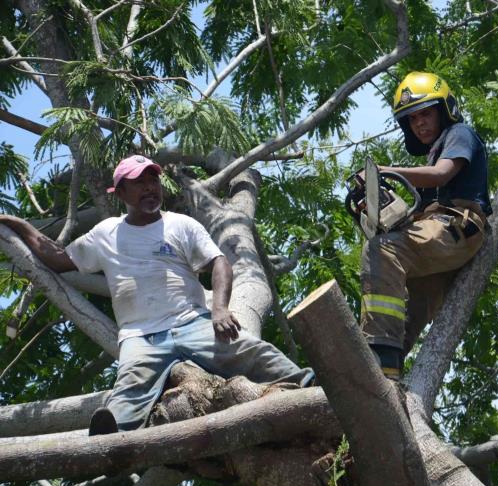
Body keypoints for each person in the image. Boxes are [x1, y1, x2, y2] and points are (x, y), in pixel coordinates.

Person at [0, 155, 313, 434]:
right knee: (129, 386)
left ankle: (311, 388)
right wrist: (18, 223)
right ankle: (111, 443)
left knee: (250, 350)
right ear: (120, 193)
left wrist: (219, 309)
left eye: (153, 180)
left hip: (192, 322)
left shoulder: (181, 224)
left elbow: (219, 262)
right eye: (139, 183)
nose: (150, 187)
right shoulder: (106, 232)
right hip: (141, 336)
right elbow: (57, 257)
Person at [360, 71, 491, 379]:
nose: (419, 123)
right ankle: (380, 376)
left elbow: (441, 175)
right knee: (408, 309)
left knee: (381, 250)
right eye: (412, 119)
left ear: (445, 109)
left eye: (426, 114)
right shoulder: (431, 156)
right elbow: (415, 214)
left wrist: (383, 172)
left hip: (455, 226)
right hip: (436, 242)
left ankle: (380, 355)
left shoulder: (458, 134)